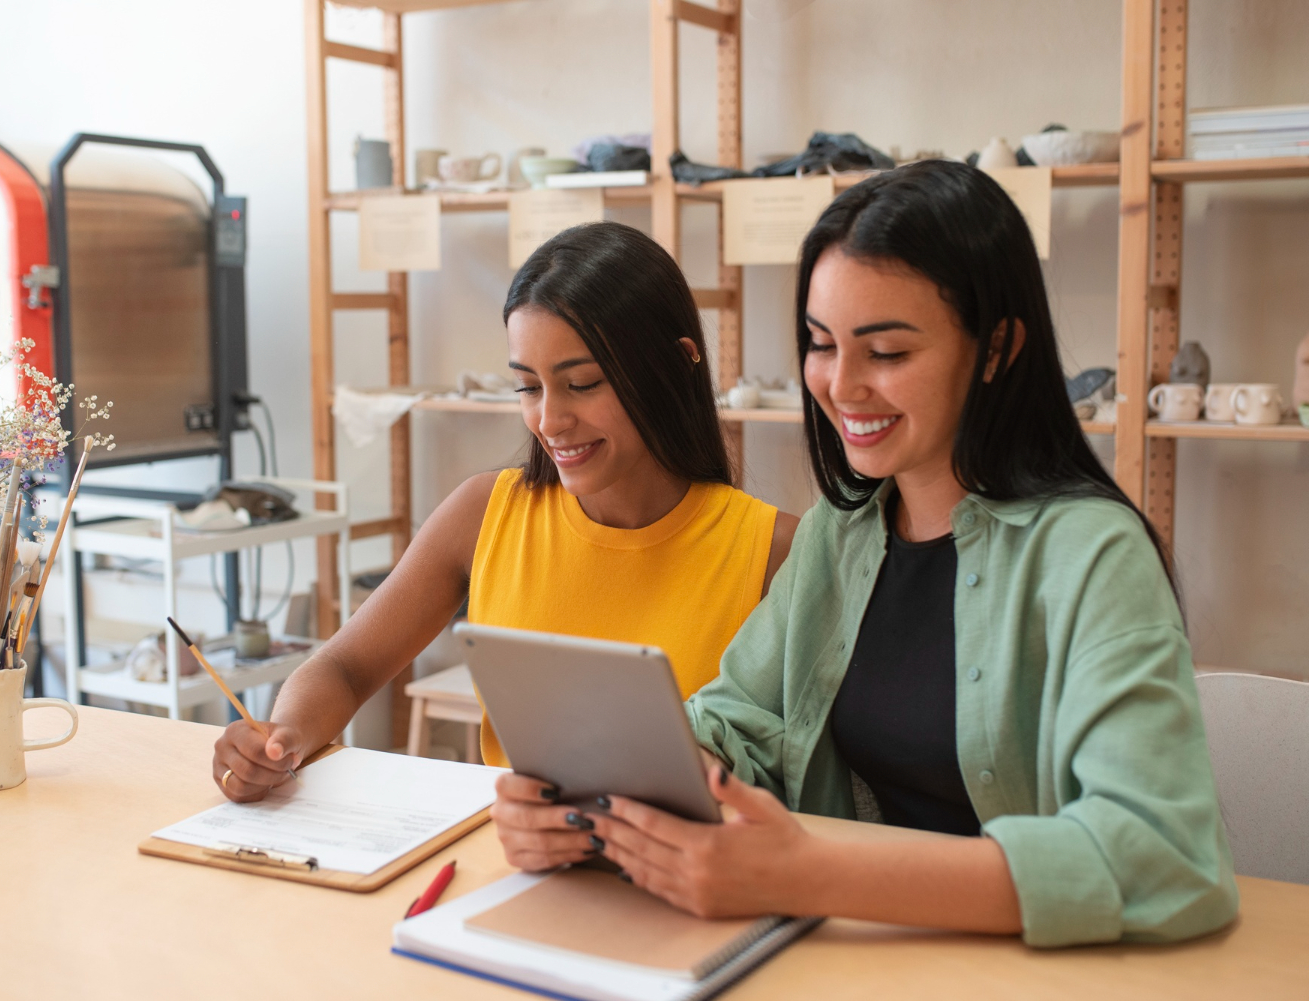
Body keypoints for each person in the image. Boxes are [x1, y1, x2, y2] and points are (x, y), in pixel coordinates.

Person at [513, 161, 1238, 947]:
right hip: (857, 954)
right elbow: (737, 721)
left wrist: (807, 874)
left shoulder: (1093, 555)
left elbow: (1163, 854)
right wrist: (583, 794)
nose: (840, 385)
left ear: (997, 347)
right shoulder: (843, 531)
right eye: (821, 344)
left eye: (886, 352)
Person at [211, 221, 797, 807]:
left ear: (679, 362)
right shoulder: (484, 513)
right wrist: (281, 739)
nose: (550, 420)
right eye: (528, 387)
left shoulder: (775, 553)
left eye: (583, 383)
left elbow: (798, 780)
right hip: (514, 849)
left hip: (680, 860)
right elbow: (345, 666)